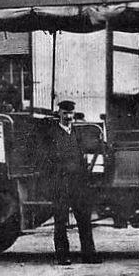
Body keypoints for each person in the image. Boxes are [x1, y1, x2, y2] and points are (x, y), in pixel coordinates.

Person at [40, 100, 100, 265]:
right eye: (65, 113)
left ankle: (89, 254)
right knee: (61, 221)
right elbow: (46, 159)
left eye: (70, 113)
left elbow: (84, 155)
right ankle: (63, 256)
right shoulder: (52, 134)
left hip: (77, 183)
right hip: (60, 183)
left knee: (84, 219)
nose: (68, 117)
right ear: (59, 113)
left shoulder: (77, 133)